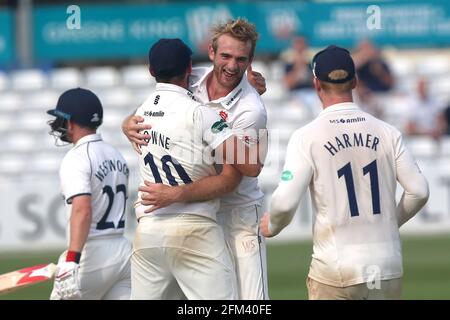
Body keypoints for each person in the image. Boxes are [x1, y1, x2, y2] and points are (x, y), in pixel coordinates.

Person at [260, 45, 430, 300]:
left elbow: (284, 203)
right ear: (355, 81)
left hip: (337, 265)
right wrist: (390, 223)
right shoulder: (387, 132)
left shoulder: (307, 137)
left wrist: (272, 225)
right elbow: (419, 191)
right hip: (387, 263)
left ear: (316, 84)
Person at [123, 18, 269, 300]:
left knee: (251, 303)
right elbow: (158, 104)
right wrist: (127, 123)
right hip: (198, 214)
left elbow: (250, 168)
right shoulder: (192, 77)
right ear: (211, 53)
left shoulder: (252, 109)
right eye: (225, 56)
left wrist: (177, 192)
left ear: (250, 61)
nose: (232, 66)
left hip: (237, 214)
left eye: (241, 59)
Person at [47, 88, 131, 300]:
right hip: (123, 251)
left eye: (60, 119)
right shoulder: (115, 154)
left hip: (92, 253)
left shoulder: (76, 157)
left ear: (70, 122)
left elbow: (82, 210)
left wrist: (72, 259)